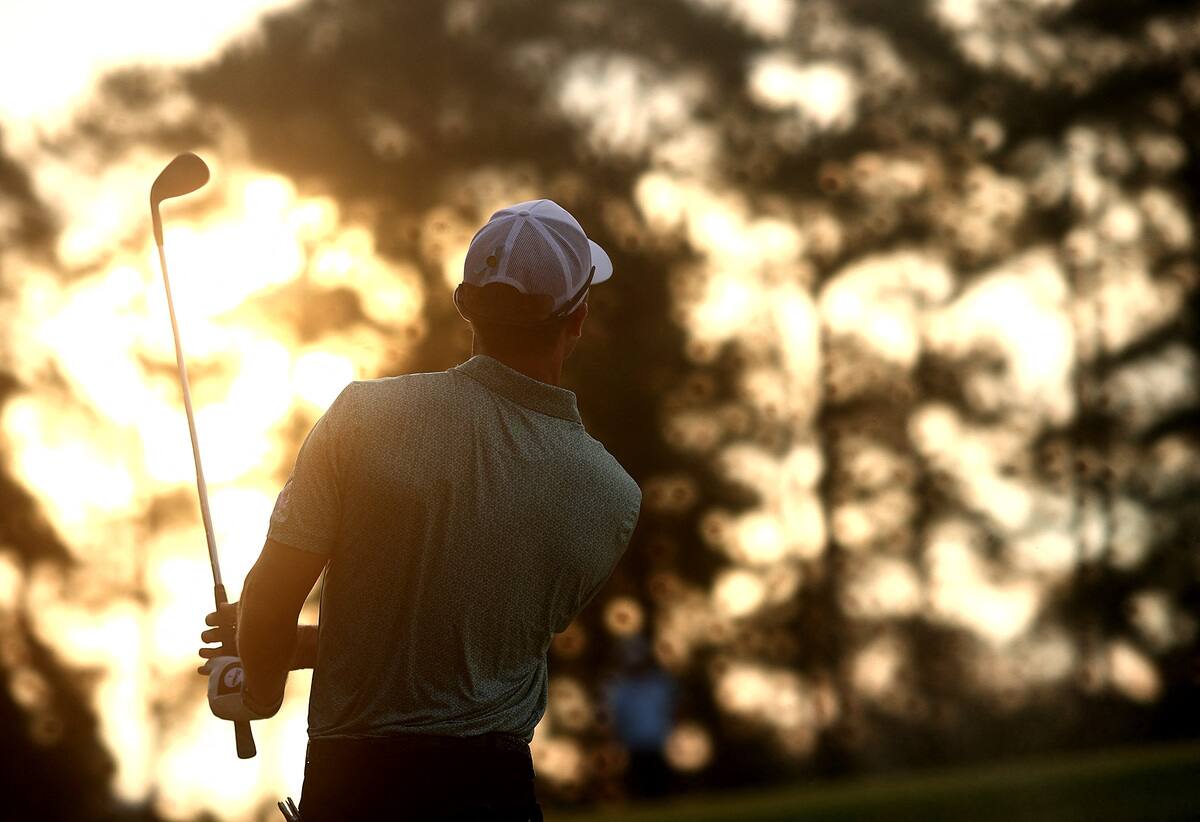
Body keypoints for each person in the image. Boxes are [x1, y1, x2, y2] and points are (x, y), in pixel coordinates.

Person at [197, 199, 642, 821]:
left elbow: (273, 598)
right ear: (578, 320)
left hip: (351, 790)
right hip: (493, 796)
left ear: (467, 308)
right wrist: (281, 644)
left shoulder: (362, 416)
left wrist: (258, 683)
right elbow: (467, 644)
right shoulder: (610, 496)